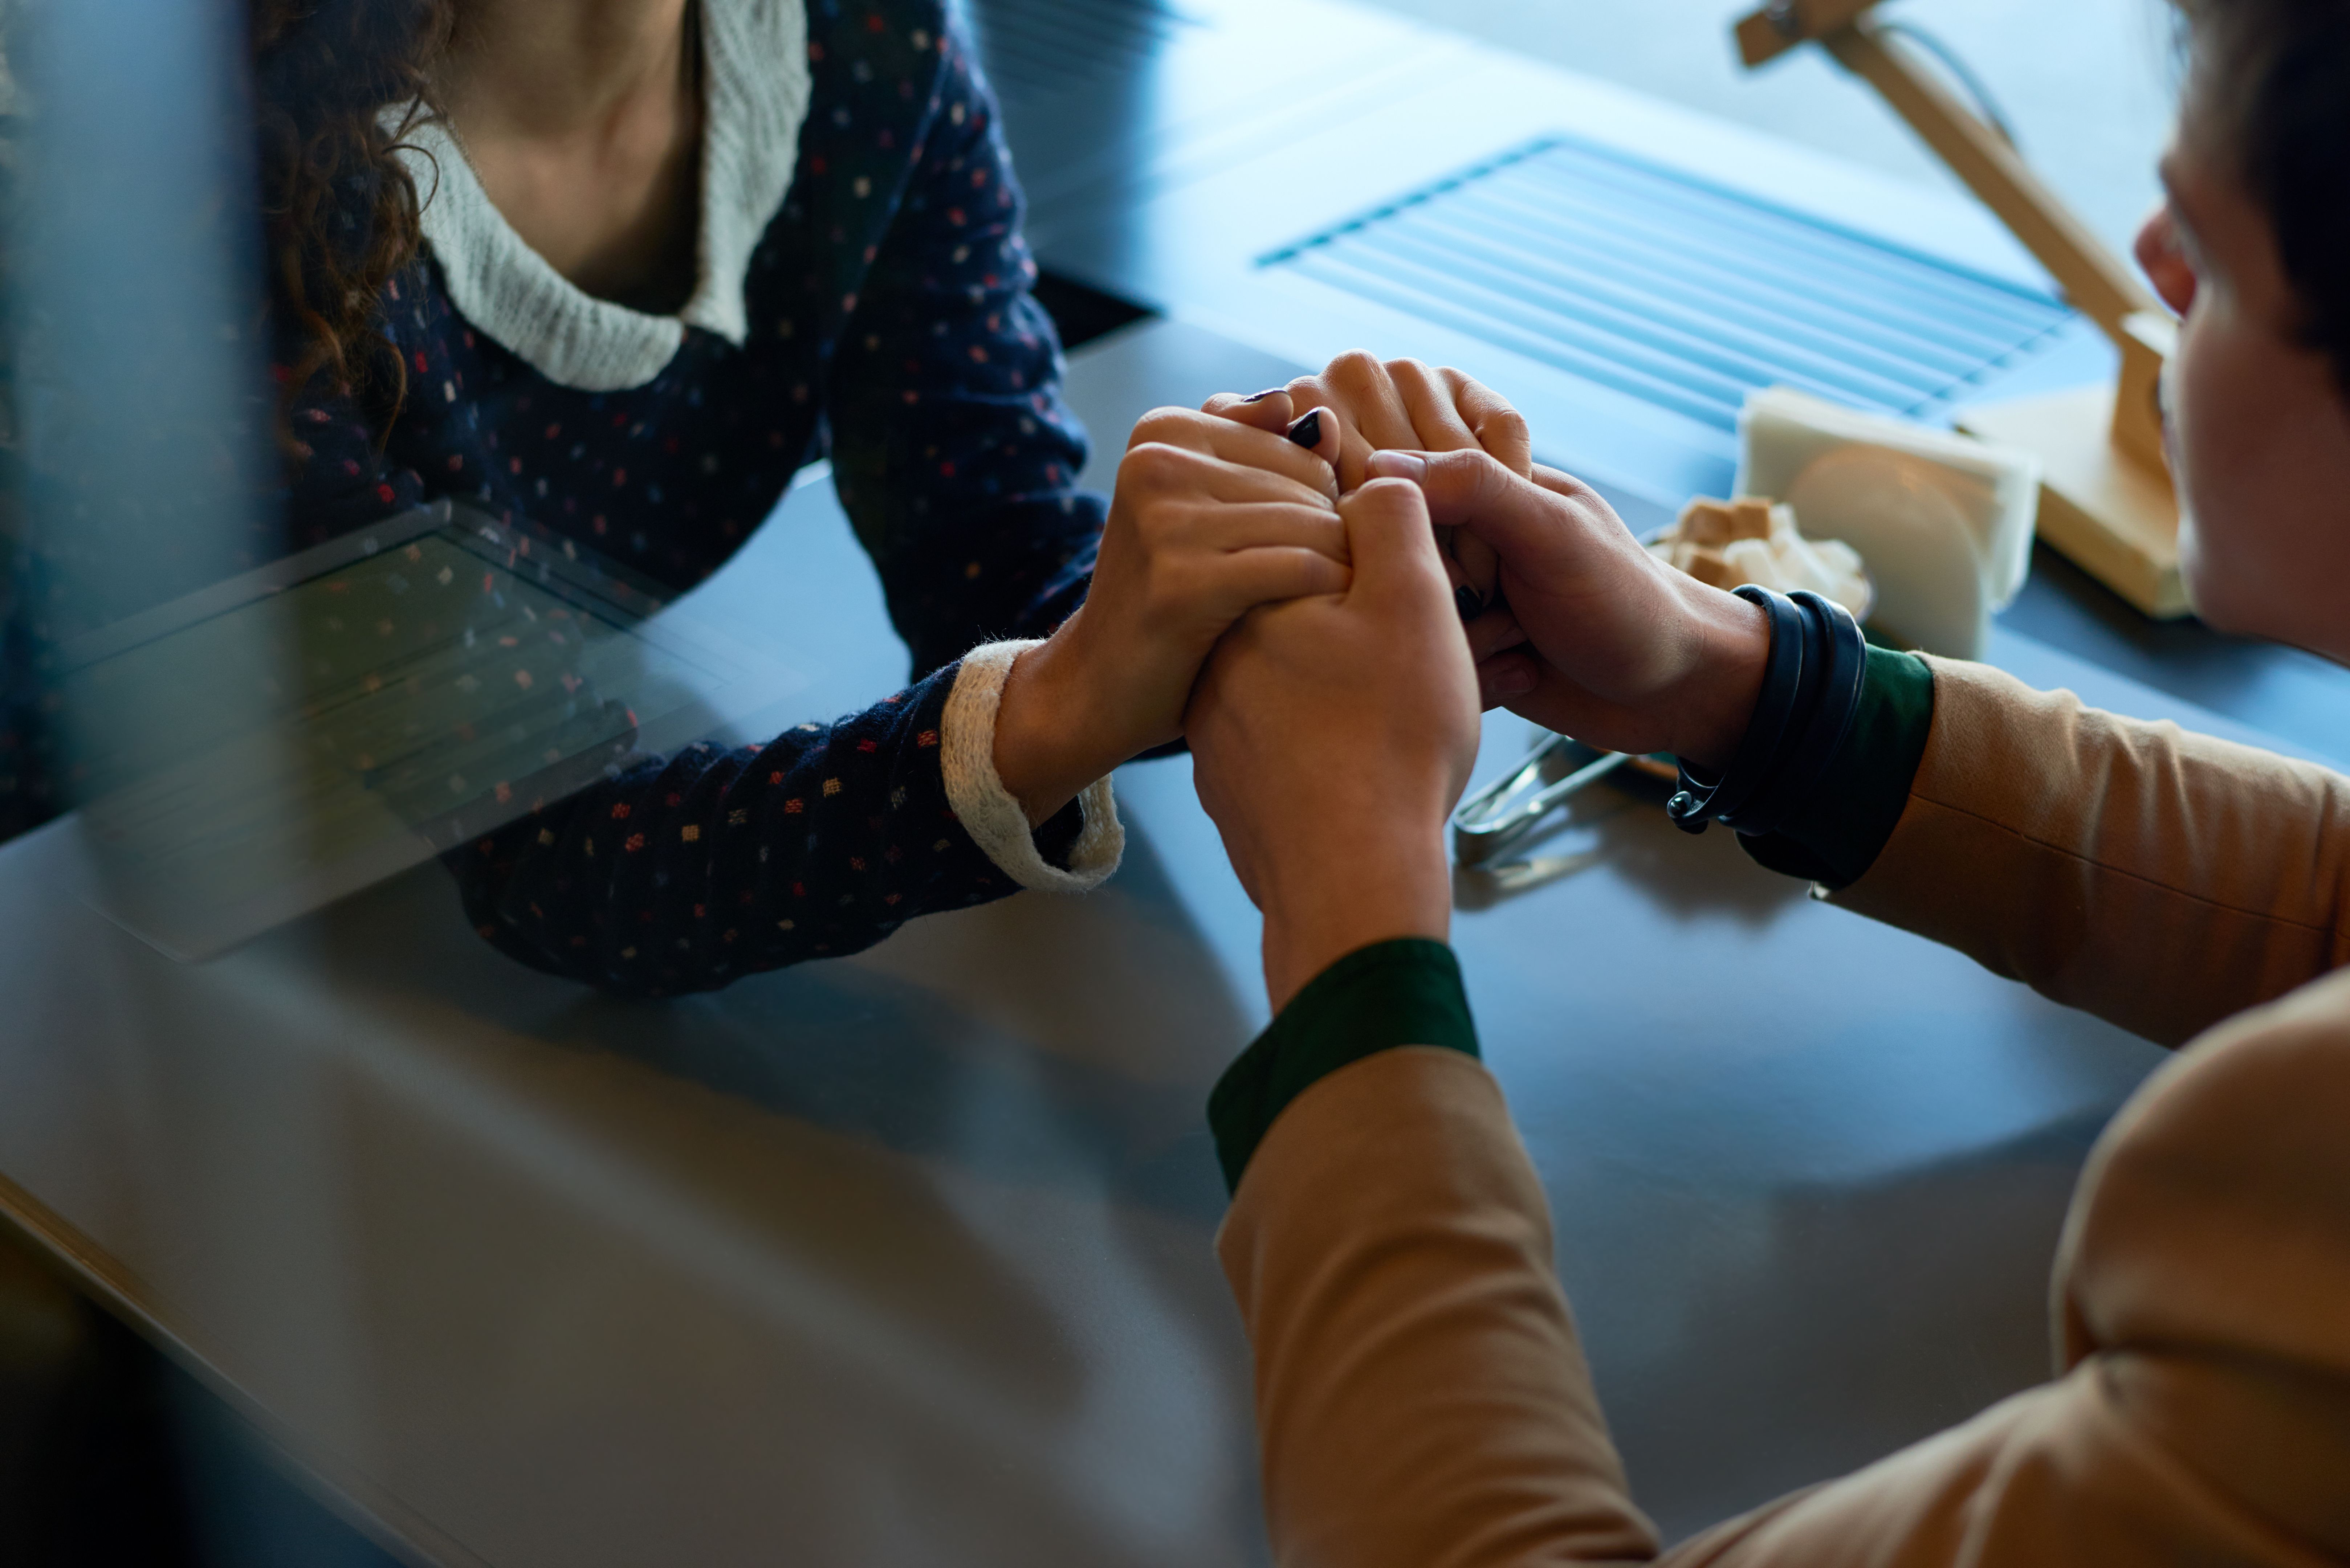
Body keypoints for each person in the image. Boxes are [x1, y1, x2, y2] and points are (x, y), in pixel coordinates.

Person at [1182, 0, 2350, 1559]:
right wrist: (1740, 681)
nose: (2148, 251)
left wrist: (1346, 906)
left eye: (2213, 243)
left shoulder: (2288, 1183)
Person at [0, 0, 1527, 994]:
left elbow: (988, 539)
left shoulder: (857, 50)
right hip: (77, 896)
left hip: (339, 868)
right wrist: (1061, 705)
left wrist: (1283, 531)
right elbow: (566, 853)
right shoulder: (203, 185)